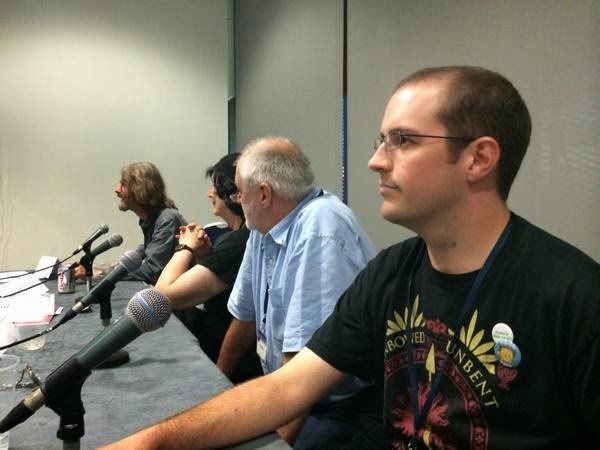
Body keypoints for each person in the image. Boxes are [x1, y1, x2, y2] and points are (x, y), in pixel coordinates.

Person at [101, 66, 600, 449]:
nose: (375, 160)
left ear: (478, 158)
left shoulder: (574, 297)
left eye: (403, 140)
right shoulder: (392, 272)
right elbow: (287, 388)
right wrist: (150, 442)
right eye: (381, 140)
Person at [217, 137, 378, 446]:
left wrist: (279, 445)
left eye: (239, 193)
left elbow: (304, 366)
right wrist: (216, 383)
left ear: (264, 194)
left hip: (337, 406)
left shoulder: (321, 226)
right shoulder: (262, 226)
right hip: (287, 390)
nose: (237, 200)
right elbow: (246, 317)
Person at [154, 153, 262, 384]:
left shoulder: (239, 242)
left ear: (231, 194)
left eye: (214, 187)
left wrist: (185, 247)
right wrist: (204, 256)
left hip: (239, 366)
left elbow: (163, 296)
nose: (209, 194)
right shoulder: (235, 237)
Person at [113, 161, 186, 285]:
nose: (117, 190)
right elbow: (148, 252)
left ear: (140, 189)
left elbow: (151, 271)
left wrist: (102, 276)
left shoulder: (167, 219)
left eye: (123, 184)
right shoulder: (152, 219)